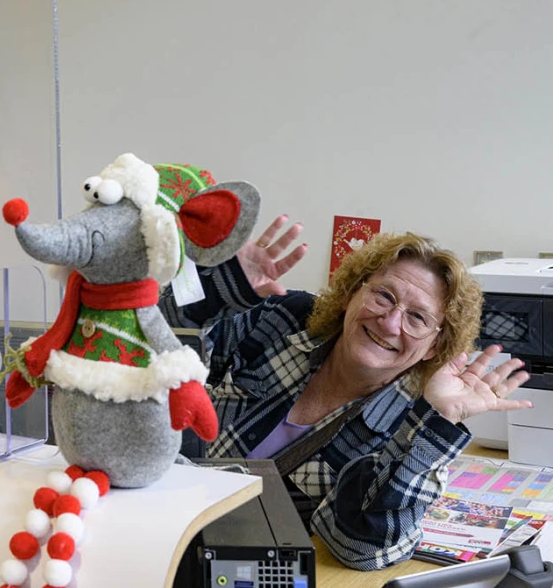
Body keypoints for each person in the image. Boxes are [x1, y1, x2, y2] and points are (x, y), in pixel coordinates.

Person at [160, 217, 534, 571]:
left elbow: (358, 550)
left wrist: (438, 421)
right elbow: (146, 354)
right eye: (384, 296)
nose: (389, 323)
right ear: (353, 293)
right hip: (151, 512)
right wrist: (216, 291)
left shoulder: (411, 422)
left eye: (417, 318)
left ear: (435, 347)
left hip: (244, 566)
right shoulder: (284, 317)